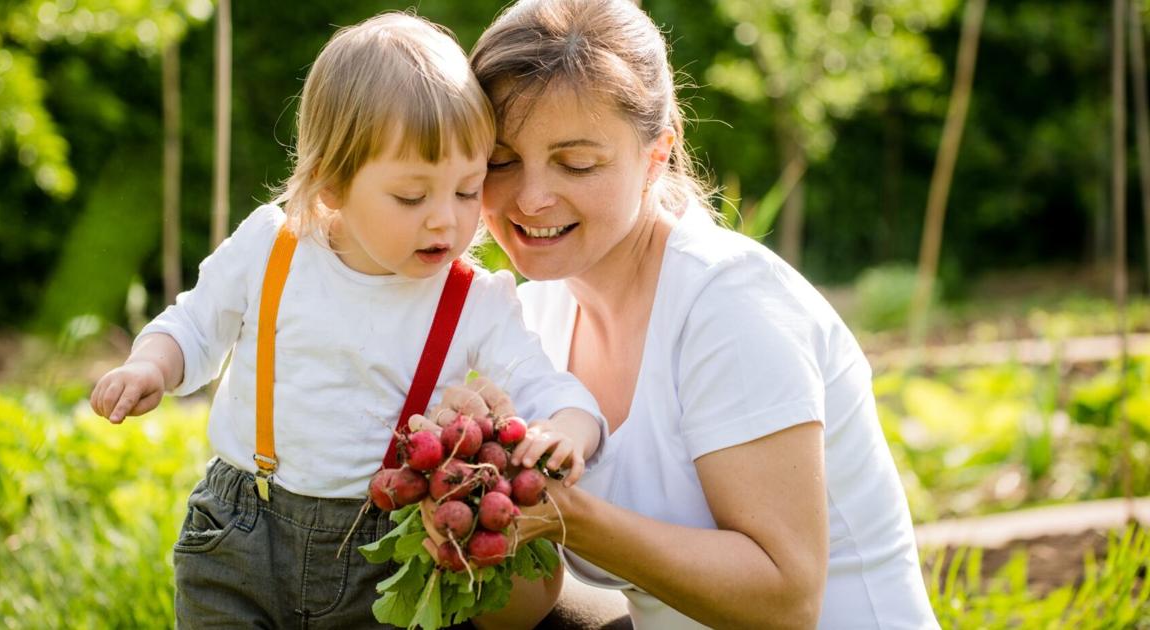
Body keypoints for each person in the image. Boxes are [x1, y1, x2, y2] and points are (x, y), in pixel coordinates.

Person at [87, 12, 604, 628]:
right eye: (412, 197)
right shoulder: (273, 249)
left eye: (467, 191)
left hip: (382, 550)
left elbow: (547, 385)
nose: (446, 220)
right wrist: (153, 363)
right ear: (331, 185)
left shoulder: (471, 300)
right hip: (241, 529)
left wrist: (567, 430)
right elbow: (197, 324)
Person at [434, 0, 940, 627]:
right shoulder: (532, 315)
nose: (531, 197)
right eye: (502, 161)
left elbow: (787, 603)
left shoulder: (730, 305)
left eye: (577, 162)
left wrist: (572, 516)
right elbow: (524, 614)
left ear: (655, 155)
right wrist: (473, 499)